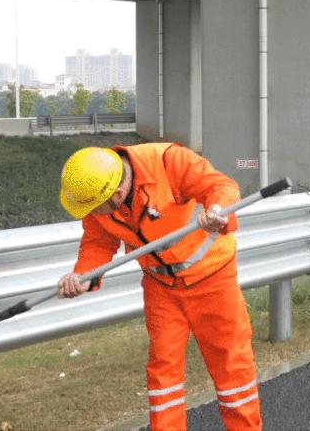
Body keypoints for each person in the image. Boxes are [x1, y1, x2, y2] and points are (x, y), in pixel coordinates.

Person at [57, 143, 261, 430]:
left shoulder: (169, 162)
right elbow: (98, 241)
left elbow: (222, 186)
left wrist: (218, 210)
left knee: (231, 367)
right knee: (162, 373)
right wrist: (83, 274)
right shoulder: (96, 194)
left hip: (213, 278)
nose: (90, 213)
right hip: (160, 287)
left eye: (94, 208)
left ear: (116, 195)